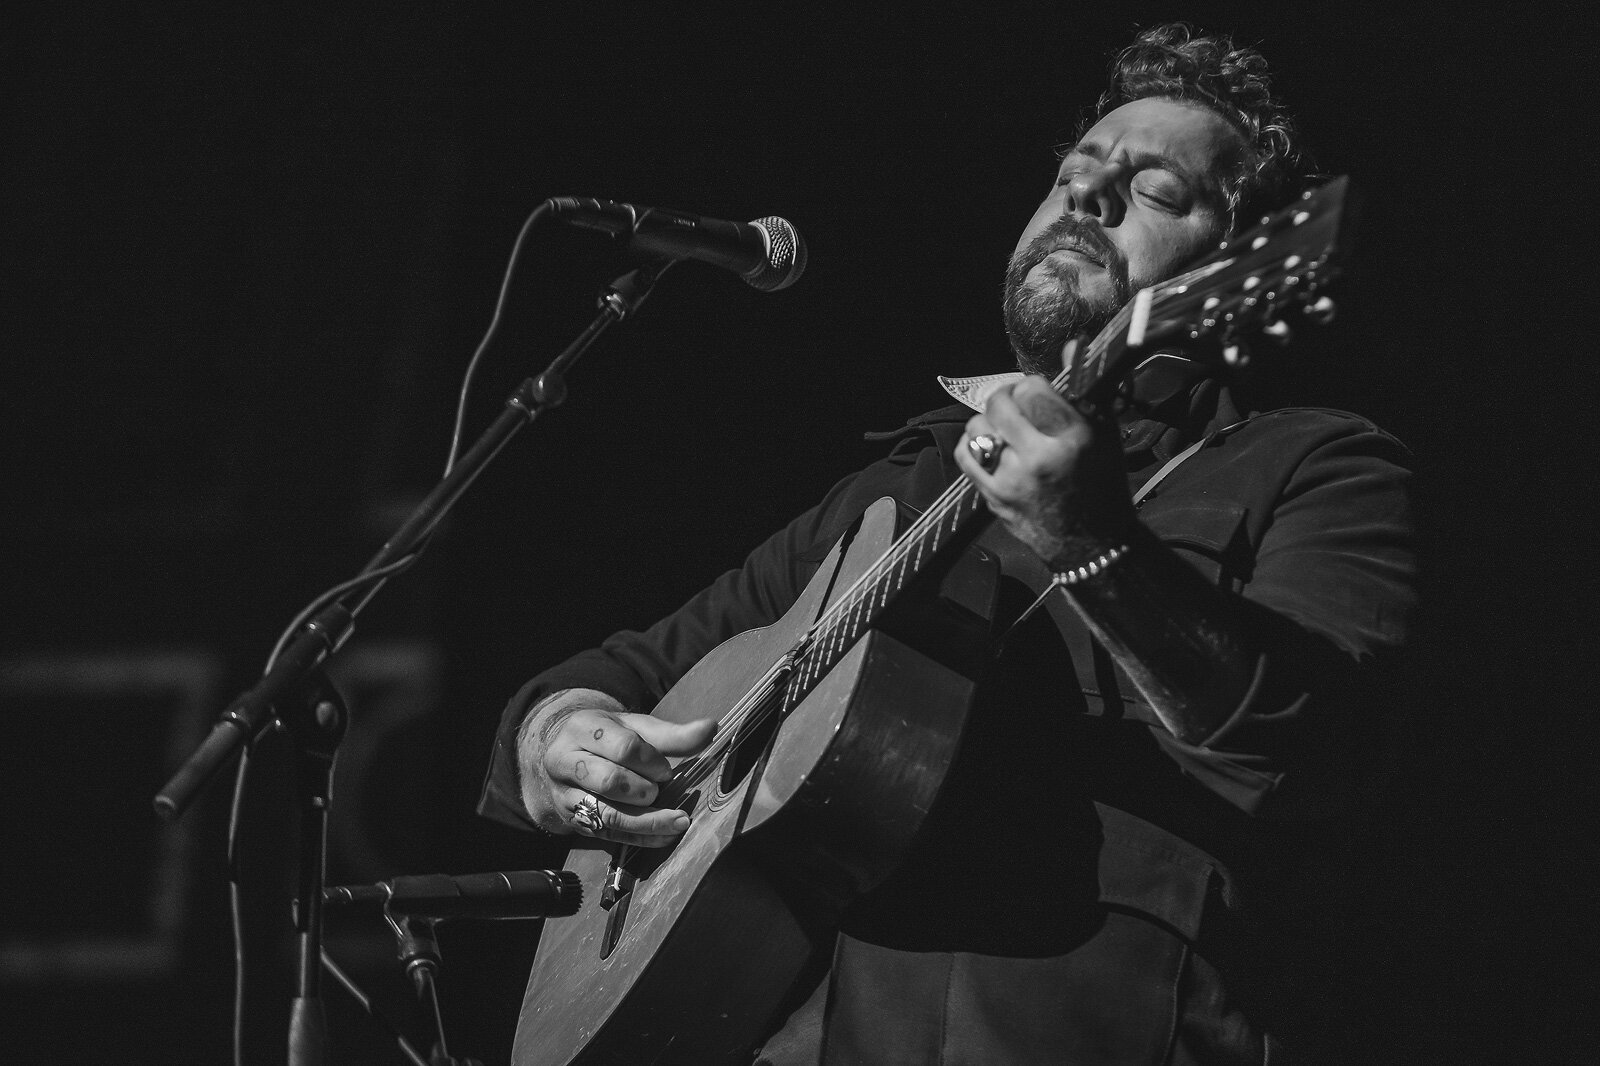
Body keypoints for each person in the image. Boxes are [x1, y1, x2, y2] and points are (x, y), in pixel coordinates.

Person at [478, 23, 1417, 1064]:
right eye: (1073, 173)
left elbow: (1313, 750)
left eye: (1153, 191)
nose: (1087, 198)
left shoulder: (1312, 464)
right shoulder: (898, 489)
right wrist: (553, 735)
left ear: (1239, 265)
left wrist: (1091, 541)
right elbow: (630, 673)